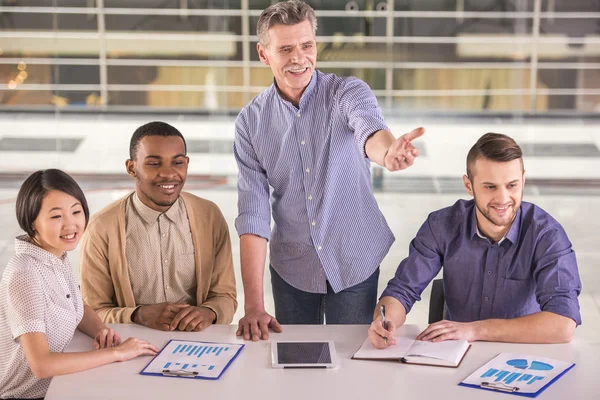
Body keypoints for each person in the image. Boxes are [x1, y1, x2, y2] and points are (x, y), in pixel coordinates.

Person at [234, 0, 424, 341]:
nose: (299, 58)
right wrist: (252, 305)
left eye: (306, 46)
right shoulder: (250, 123)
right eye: (286, 49)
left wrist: (388, 155)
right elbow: (253, 216)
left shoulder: (347, 92)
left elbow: (370, 131)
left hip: (354, 260)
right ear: (264, 54)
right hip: (292, 269)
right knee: (295, 361)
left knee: (351, 362)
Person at [369, 133, 582, 348]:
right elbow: (402, 291)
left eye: (512, 185)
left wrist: (475, 329)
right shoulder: (441, 226)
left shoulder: (547, 235)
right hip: (456, 356)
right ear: (469, 186)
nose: (502, 199)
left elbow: (563, 323)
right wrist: (384, 321)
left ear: (523, 180)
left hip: (522, 354)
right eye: (490, 187)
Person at [0, 169, 158, 400]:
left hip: (62, 385)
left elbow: (74, 304)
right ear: (32, 221)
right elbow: (41, 365)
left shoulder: (54, 256)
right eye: (56, 216)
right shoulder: (26, 273)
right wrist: (117, 353)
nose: (71, 225)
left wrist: (101, 330)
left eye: (76, 212)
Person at [79, 121, 237, 332]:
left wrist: (210, 312)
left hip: (196, 344)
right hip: (131, 346)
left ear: (187, 164)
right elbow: (92, 313)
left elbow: (225, 296)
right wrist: (137, 315)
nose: (168, 174)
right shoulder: (102, 228)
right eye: (154, 164)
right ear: (131, 168)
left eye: (177, 163)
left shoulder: (209, 216)